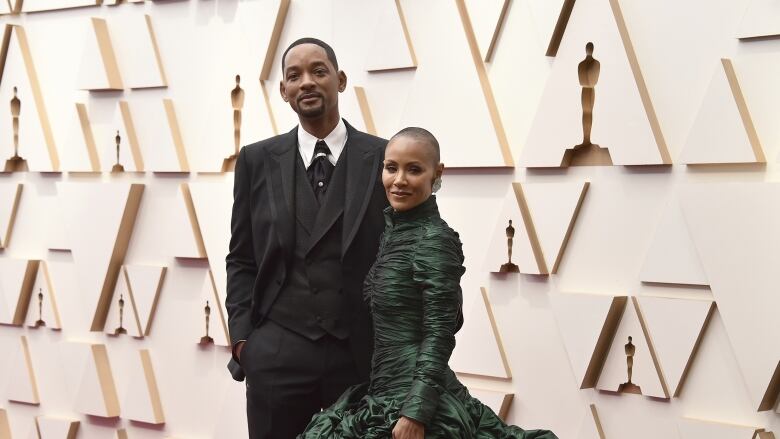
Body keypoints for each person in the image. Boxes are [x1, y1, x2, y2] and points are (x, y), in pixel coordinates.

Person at [299, 128, 558, 439]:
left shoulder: (434, 239)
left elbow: (439, 333)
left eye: (414, 170)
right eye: (391, 167)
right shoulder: (393, 232)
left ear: (437, 174)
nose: (399, 180)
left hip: (414, 406)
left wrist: (415, 412)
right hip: (383, 392)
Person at [225, 37, 388, 439]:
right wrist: (245, 340)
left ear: (341, 80)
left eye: (319, 71)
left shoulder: (384, 157)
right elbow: (242, 257)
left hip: (360, 354)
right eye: (294, 75)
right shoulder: (256, 159)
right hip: (277, 352)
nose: (307, 82)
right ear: (283, 91)